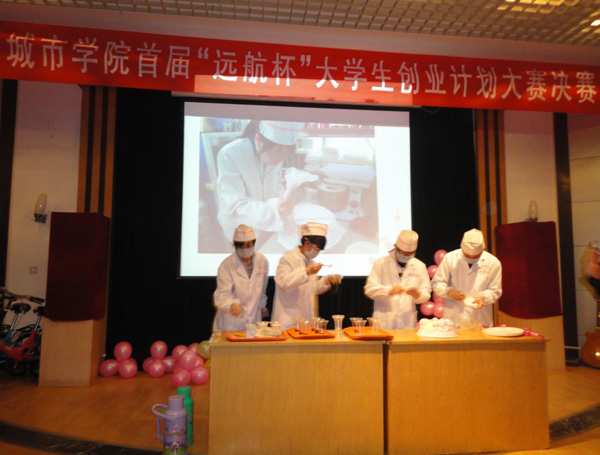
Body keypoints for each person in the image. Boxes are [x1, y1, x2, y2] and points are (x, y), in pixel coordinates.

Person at [216, 120, 305, 245]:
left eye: (284, 156)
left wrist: (283, 199)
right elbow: (234, 205)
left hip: (266, 222)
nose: (279, 160)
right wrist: (275, 207)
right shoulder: (230, 153)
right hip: (240, 227)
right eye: (275, 154)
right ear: (258, 139)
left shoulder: (277, 153)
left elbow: (275, 184)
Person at [272, 222, 341, 330]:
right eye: (316, 249)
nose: (317, 253)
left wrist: (326, 281)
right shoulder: (288, 259)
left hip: (307, 320)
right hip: (289, 320)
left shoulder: (310, 262)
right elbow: (283, 282)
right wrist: (306, 272)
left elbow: (312, 289)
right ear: (307, 243)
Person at [431, 228, 502, 328]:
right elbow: (437, 283)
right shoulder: (450, 258)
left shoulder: (493, 262)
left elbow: (495, 290)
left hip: (480, 316)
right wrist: (449, 292)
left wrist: (484, 297)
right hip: (454, 316)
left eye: (476, 256)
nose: (471, 258)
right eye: (468, 255)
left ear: (482, 250)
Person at [364, 230, 431, 329]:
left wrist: (418, 294)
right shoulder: (381, 263)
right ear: (396, 247)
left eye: (411, 253)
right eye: (405, 253)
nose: (407, 256)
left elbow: (426, 293)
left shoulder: (419, 265)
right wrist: (389, 291)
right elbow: (370, 290)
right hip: (384, 321)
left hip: (407, 322)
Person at [212, 224, 269, 332]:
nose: (246, 250)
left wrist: (262, 305)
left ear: (254, 244)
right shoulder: (227, 265)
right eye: (243, 247)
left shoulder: (262, 261)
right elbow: (222, 293)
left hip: (253, 319)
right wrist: (230, 305)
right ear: (236, 246)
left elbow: (262, 288)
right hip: (232, 322)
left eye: (249, 246)